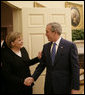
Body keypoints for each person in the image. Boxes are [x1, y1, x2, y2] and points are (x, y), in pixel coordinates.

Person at [24, 22, 80, 94]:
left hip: (64, 87)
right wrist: (33, 77)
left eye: (47, 32)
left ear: (55, 32)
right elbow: (41, 65)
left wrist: (75, 88)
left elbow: (75, 68)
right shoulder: (46, 47)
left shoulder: (70, 46)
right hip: (49, 87)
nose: (45, 34)